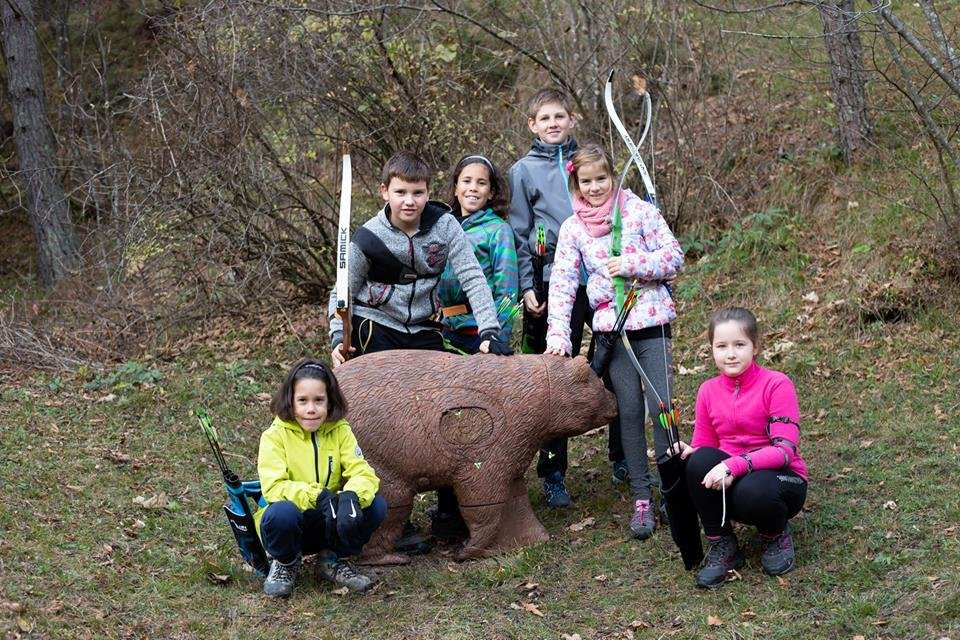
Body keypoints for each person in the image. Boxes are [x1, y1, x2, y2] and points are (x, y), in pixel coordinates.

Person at [328, 150, 513, 551]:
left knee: (449, 411)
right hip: (377, 328)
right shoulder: (367, 239)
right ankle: (393, 518)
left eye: (417, 192)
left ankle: (450, 511)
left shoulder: (445, 225)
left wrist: (489, 328)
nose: (409, 201)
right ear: (385, 192)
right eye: (400, 192)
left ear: (429, 193)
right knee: (384, 423)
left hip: (426, 328)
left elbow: (473, 276)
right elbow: (341, 293)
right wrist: (337, 339)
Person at [544, 143, 684, 540]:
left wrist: (633, 264)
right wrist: (558, 336)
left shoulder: (639, 211)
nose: (595, 188)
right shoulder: (572, 228)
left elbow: (674, 257)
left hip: (651, 323)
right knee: (628, 411)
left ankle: (672, 490)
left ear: (613, 177)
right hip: (614, 331)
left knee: (662, 406)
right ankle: (641, 496)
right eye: (586, 182)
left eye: (602, 179)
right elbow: (563, 285)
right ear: (576, 185)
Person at [678, 308, 808, 589]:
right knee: (698, 461)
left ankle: (775, 534)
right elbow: (705, 445)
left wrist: (733, 465)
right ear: (711, 349)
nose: (730, 354)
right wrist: (689, 452)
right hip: (733, 481)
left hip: (780, 480)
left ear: (755, 346)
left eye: (739, 344)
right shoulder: (707, 390)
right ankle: (723, 544)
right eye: (721, 346)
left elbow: (784, 451)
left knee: (753, 490)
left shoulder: (777, 384)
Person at [508, 87, 588, 508]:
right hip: (552, 279)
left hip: (599, 277)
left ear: (572, 119)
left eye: (560, 116)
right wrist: (527, 285)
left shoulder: (588, 161)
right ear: (532, 125)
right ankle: (553, 472)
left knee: (616, 364)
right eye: (545, 118)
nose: (553, 123)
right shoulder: (523, 171)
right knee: (553, 375)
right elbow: (520, 233)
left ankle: (622, 458)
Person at [255, 359, 384, 598]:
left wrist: (351, 496)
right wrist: (318, 496)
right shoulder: (274, 436)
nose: (311, 409)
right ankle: (285, 562)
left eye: (319, 400)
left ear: (330, 401)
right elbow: (273, 487)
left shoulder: (340, 430)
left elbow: (362, 471)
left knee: (375, 505)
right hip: (291, 522)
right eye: (303, 401)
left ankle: (332, 559)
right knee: (281, 513)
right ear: (290, 401)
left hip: (328, 519)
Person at [437, 154, 519, 354]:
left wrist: (497, 337)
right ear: (455, 188)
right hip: (446, 330)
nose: (473, 188)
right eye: (466, 181)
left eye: (481, 183)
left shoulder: (498, 230)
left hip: (481, 334)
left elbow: (507, 291)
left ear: (491, 192)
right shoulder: (442, 228)